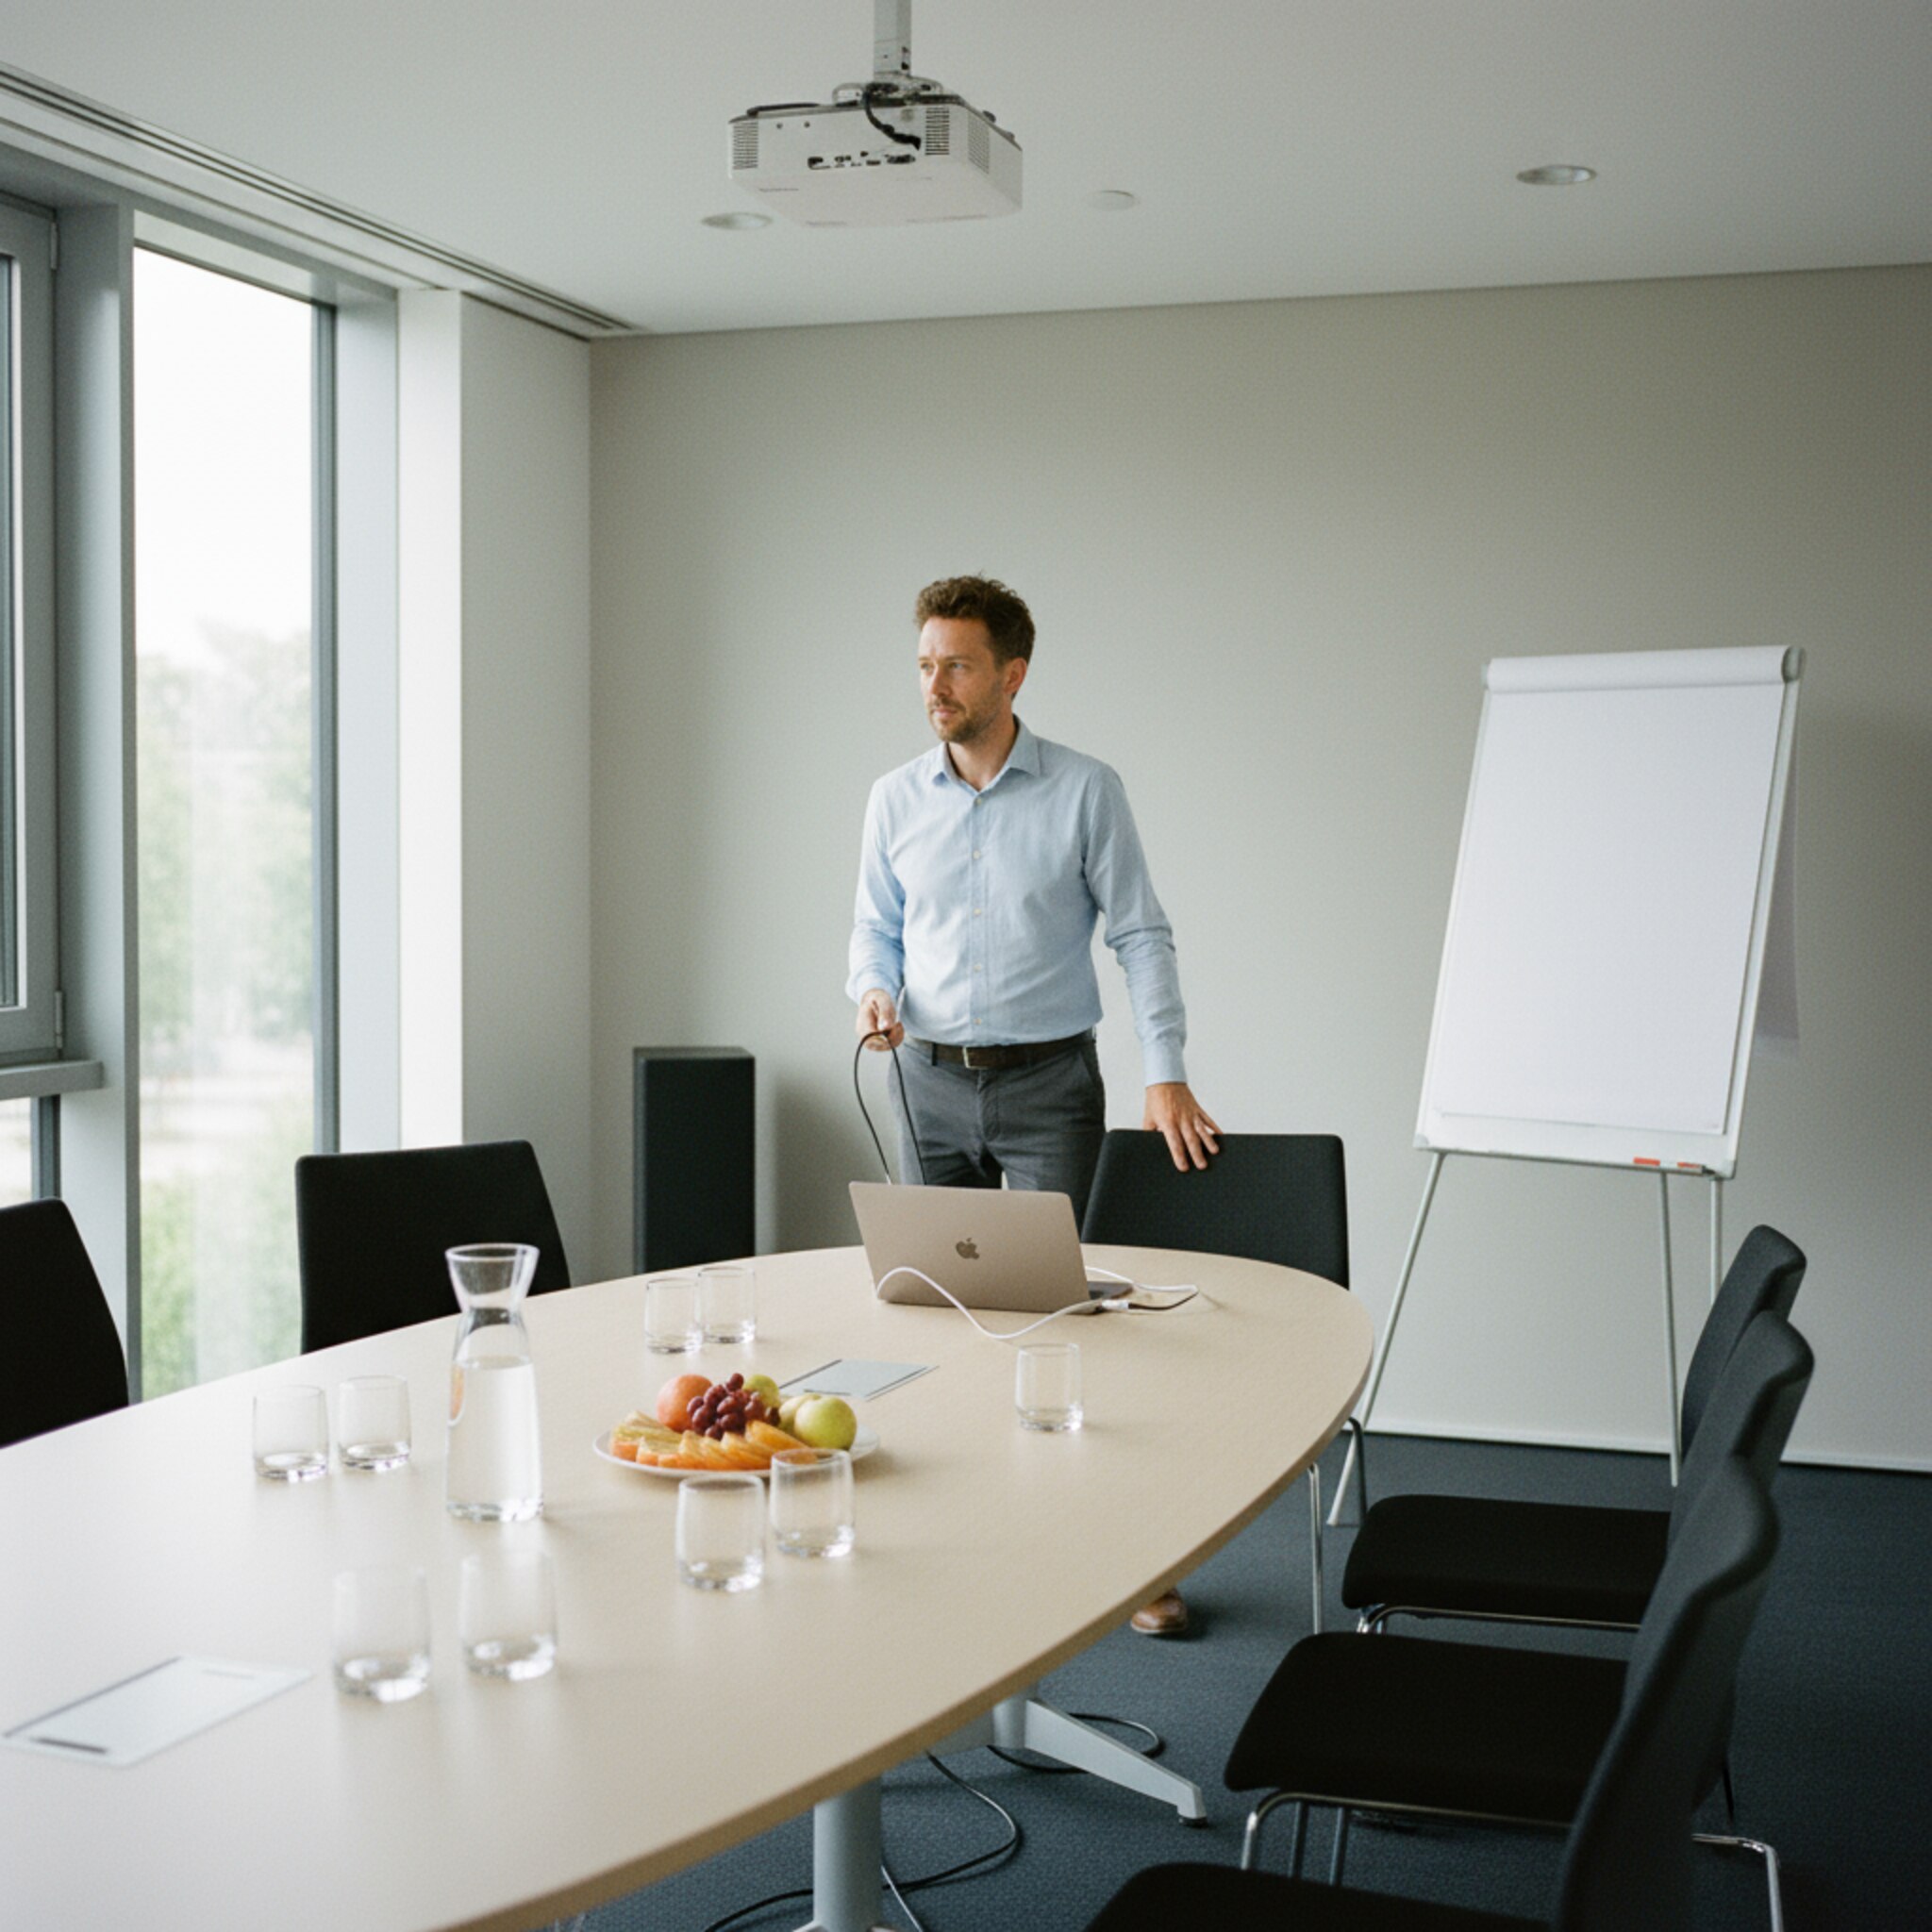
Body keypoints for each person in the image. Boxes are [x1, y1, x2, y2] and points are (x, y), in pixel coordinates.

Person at [848, 575, 1217, 1636]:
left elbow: (1139, 931)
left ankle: (1132, 1559)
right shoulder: (892, 798)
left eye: (955, 663)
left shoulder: (1085, 789)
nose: (934, 684)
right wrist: (872, 990)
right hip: (924, 1082)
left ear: (1011, 673)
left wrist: (1165, 1068)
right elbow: (871, 930)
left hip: (1049, 1085)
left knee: (1066, 1321)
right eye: (923, 663)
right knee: (938, 1313)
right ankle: (965, 1540)